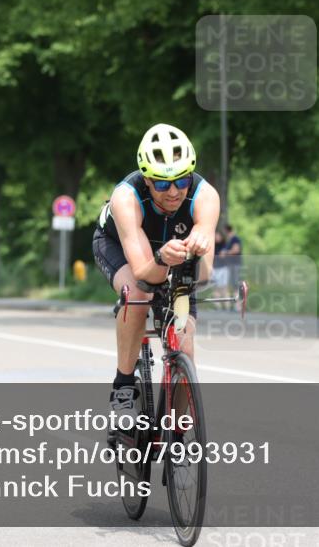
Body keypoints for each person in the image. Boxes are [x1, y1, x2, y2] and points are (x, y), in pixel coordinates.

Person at [92, 123, 220, 420]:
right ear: (147, 180)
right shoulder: (126, 197)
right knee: (137, 295)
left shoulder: (206, 196)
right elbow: (144, 272)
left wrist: (199, 249)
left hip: (171, 254)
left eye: (181, 181)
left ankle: (176, 434)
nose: (174, 191)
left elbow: (203, 276)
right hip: (120, 246)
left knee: (185, 346)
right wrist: (162, 258)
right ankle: (123, 387)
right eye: (162, 184)